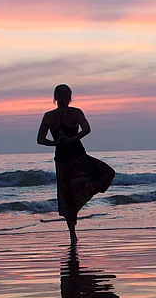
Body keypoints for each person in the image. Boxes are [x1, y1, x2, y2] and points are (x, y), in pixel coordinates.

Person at [37, 84, 115, 244]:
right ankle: (73, 232)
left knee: (67, 198)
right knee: (106, 173)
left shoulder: (49, 116)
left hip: (62, 159)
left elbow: (40, 139)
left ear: (55, 97)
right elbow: (86, 129)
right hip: (76, 156)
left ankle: (72, 234)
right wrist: (73, 138)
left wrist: (55, 143)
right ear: (69, 96)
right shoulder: (75, 112)